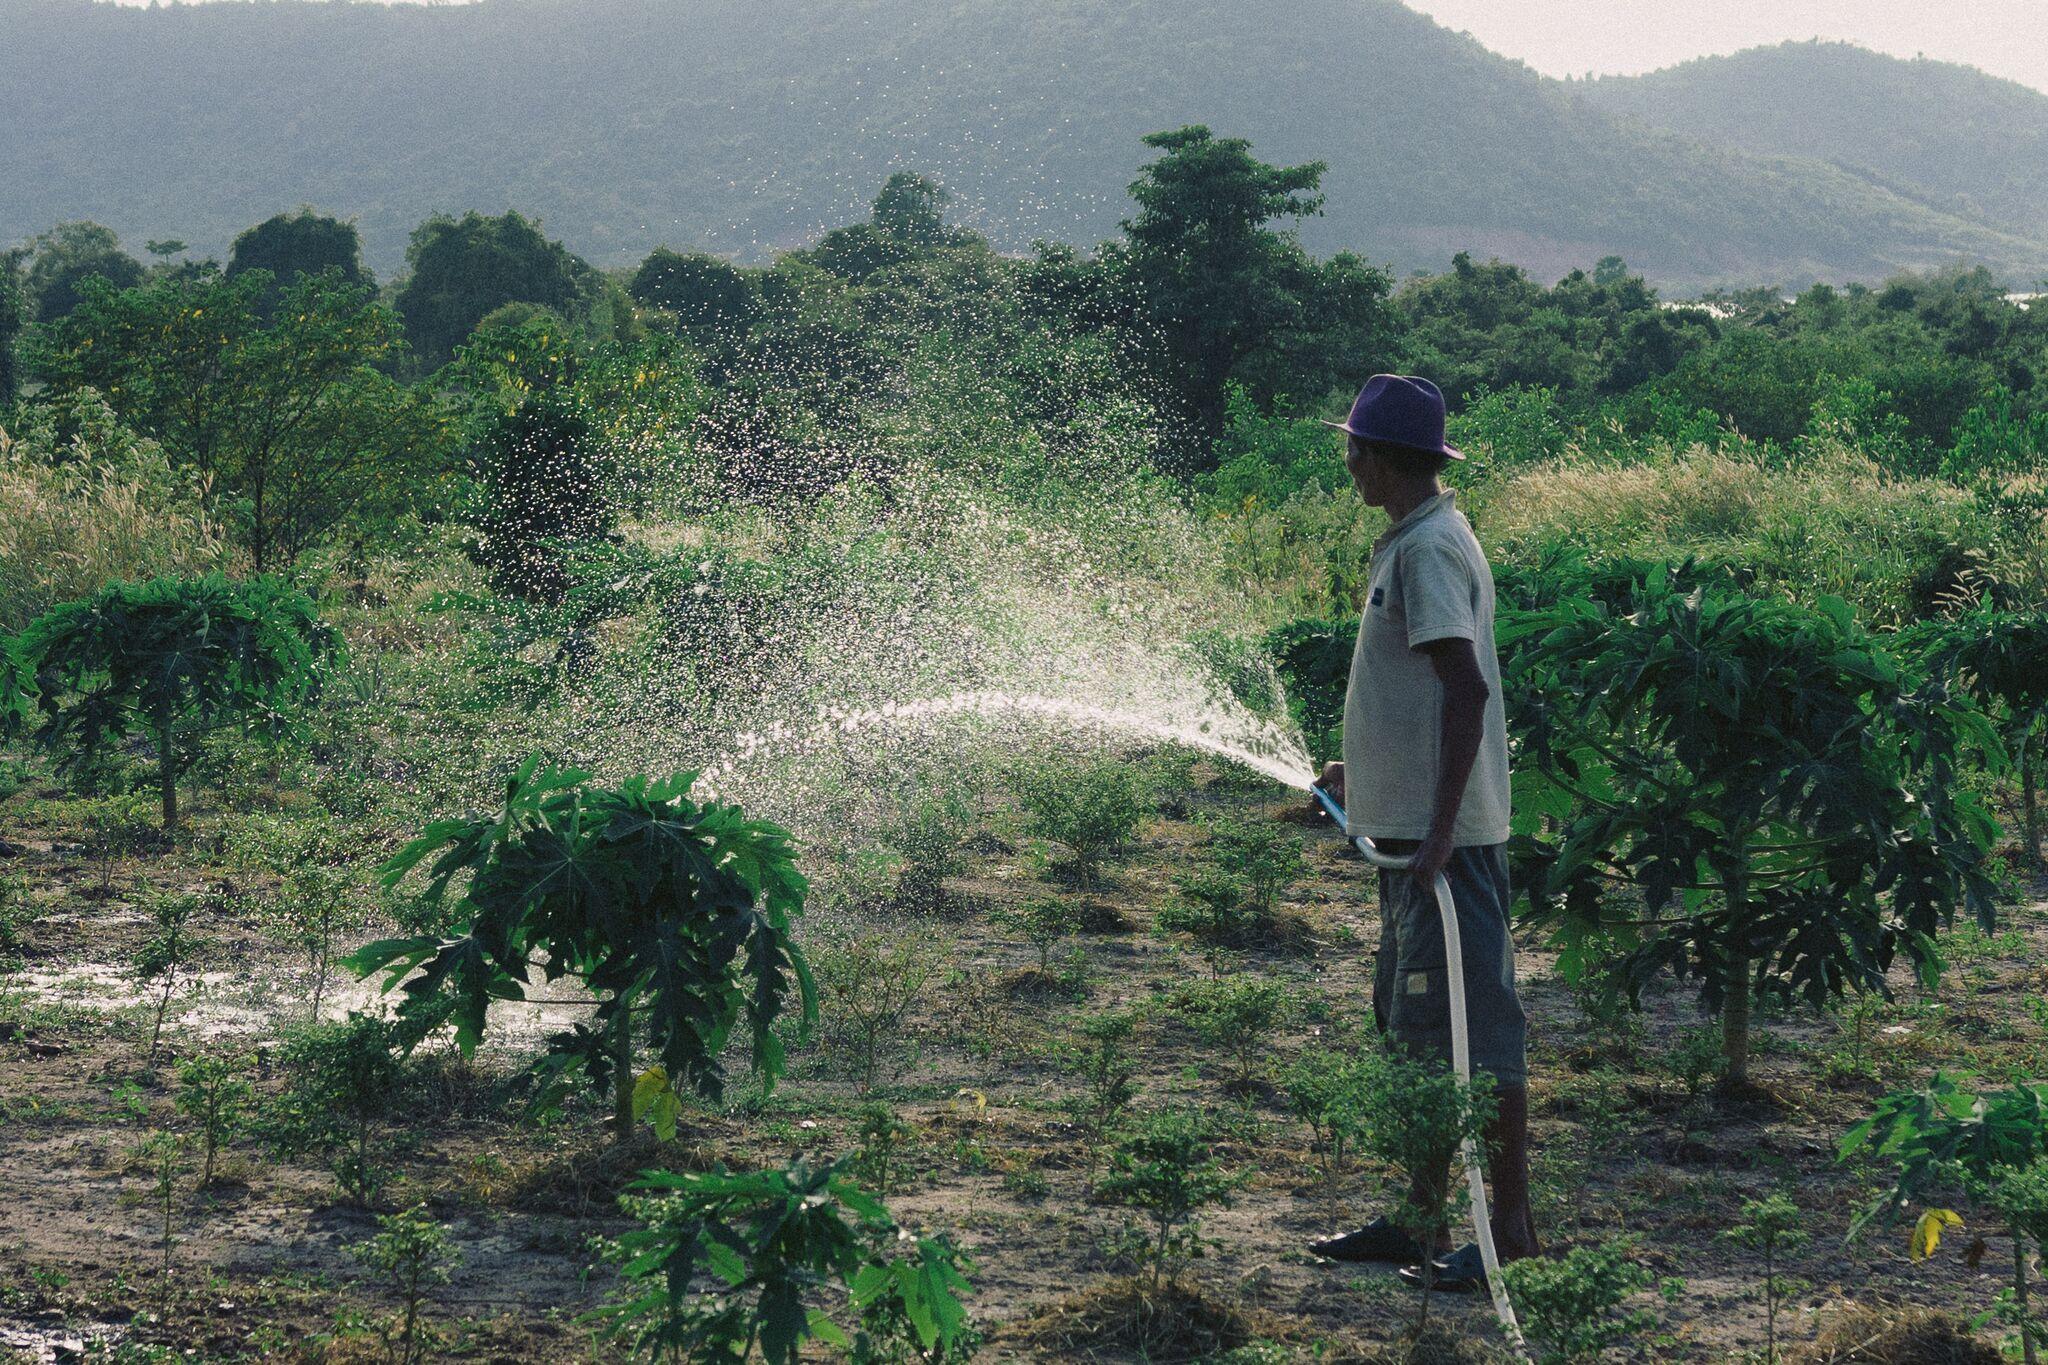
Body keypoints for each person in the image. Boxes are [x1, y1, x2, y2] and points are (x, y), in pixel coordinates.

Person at [1306, 373, 1539, 1289]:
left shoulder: (1431, 550)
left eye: (1355, 447)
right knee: (1416, 1033)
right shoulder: (1412, 539)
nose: (1348, 460)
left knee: (1478, 1038)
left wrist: (1441, 828)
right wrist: (1362, 774)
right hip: (1409, 840)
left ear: (1385, 458)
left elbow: (1465, 687)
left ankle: (1510, 1235)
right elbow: (1416, 696)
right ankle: (1416, 1218)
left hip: (1447, 851)